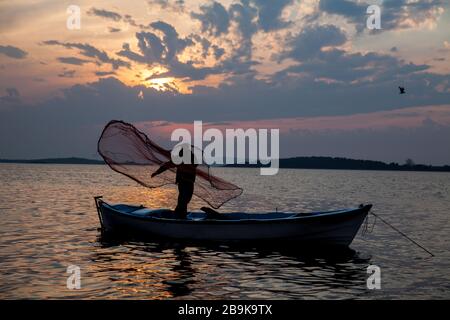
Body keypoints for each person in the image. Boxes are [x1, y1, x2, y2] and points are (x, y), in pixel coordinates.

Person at [151, 147, 198, 218]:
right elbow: (166, 165)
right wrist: (157, 172)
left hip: (190, 183)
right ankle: (181, 216)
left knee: (185, 200)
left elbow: (196, 163)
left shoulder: (191, 160)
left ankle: (178, 214)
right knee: (183, 200)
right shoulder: (178, 160)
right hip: (183, 183)